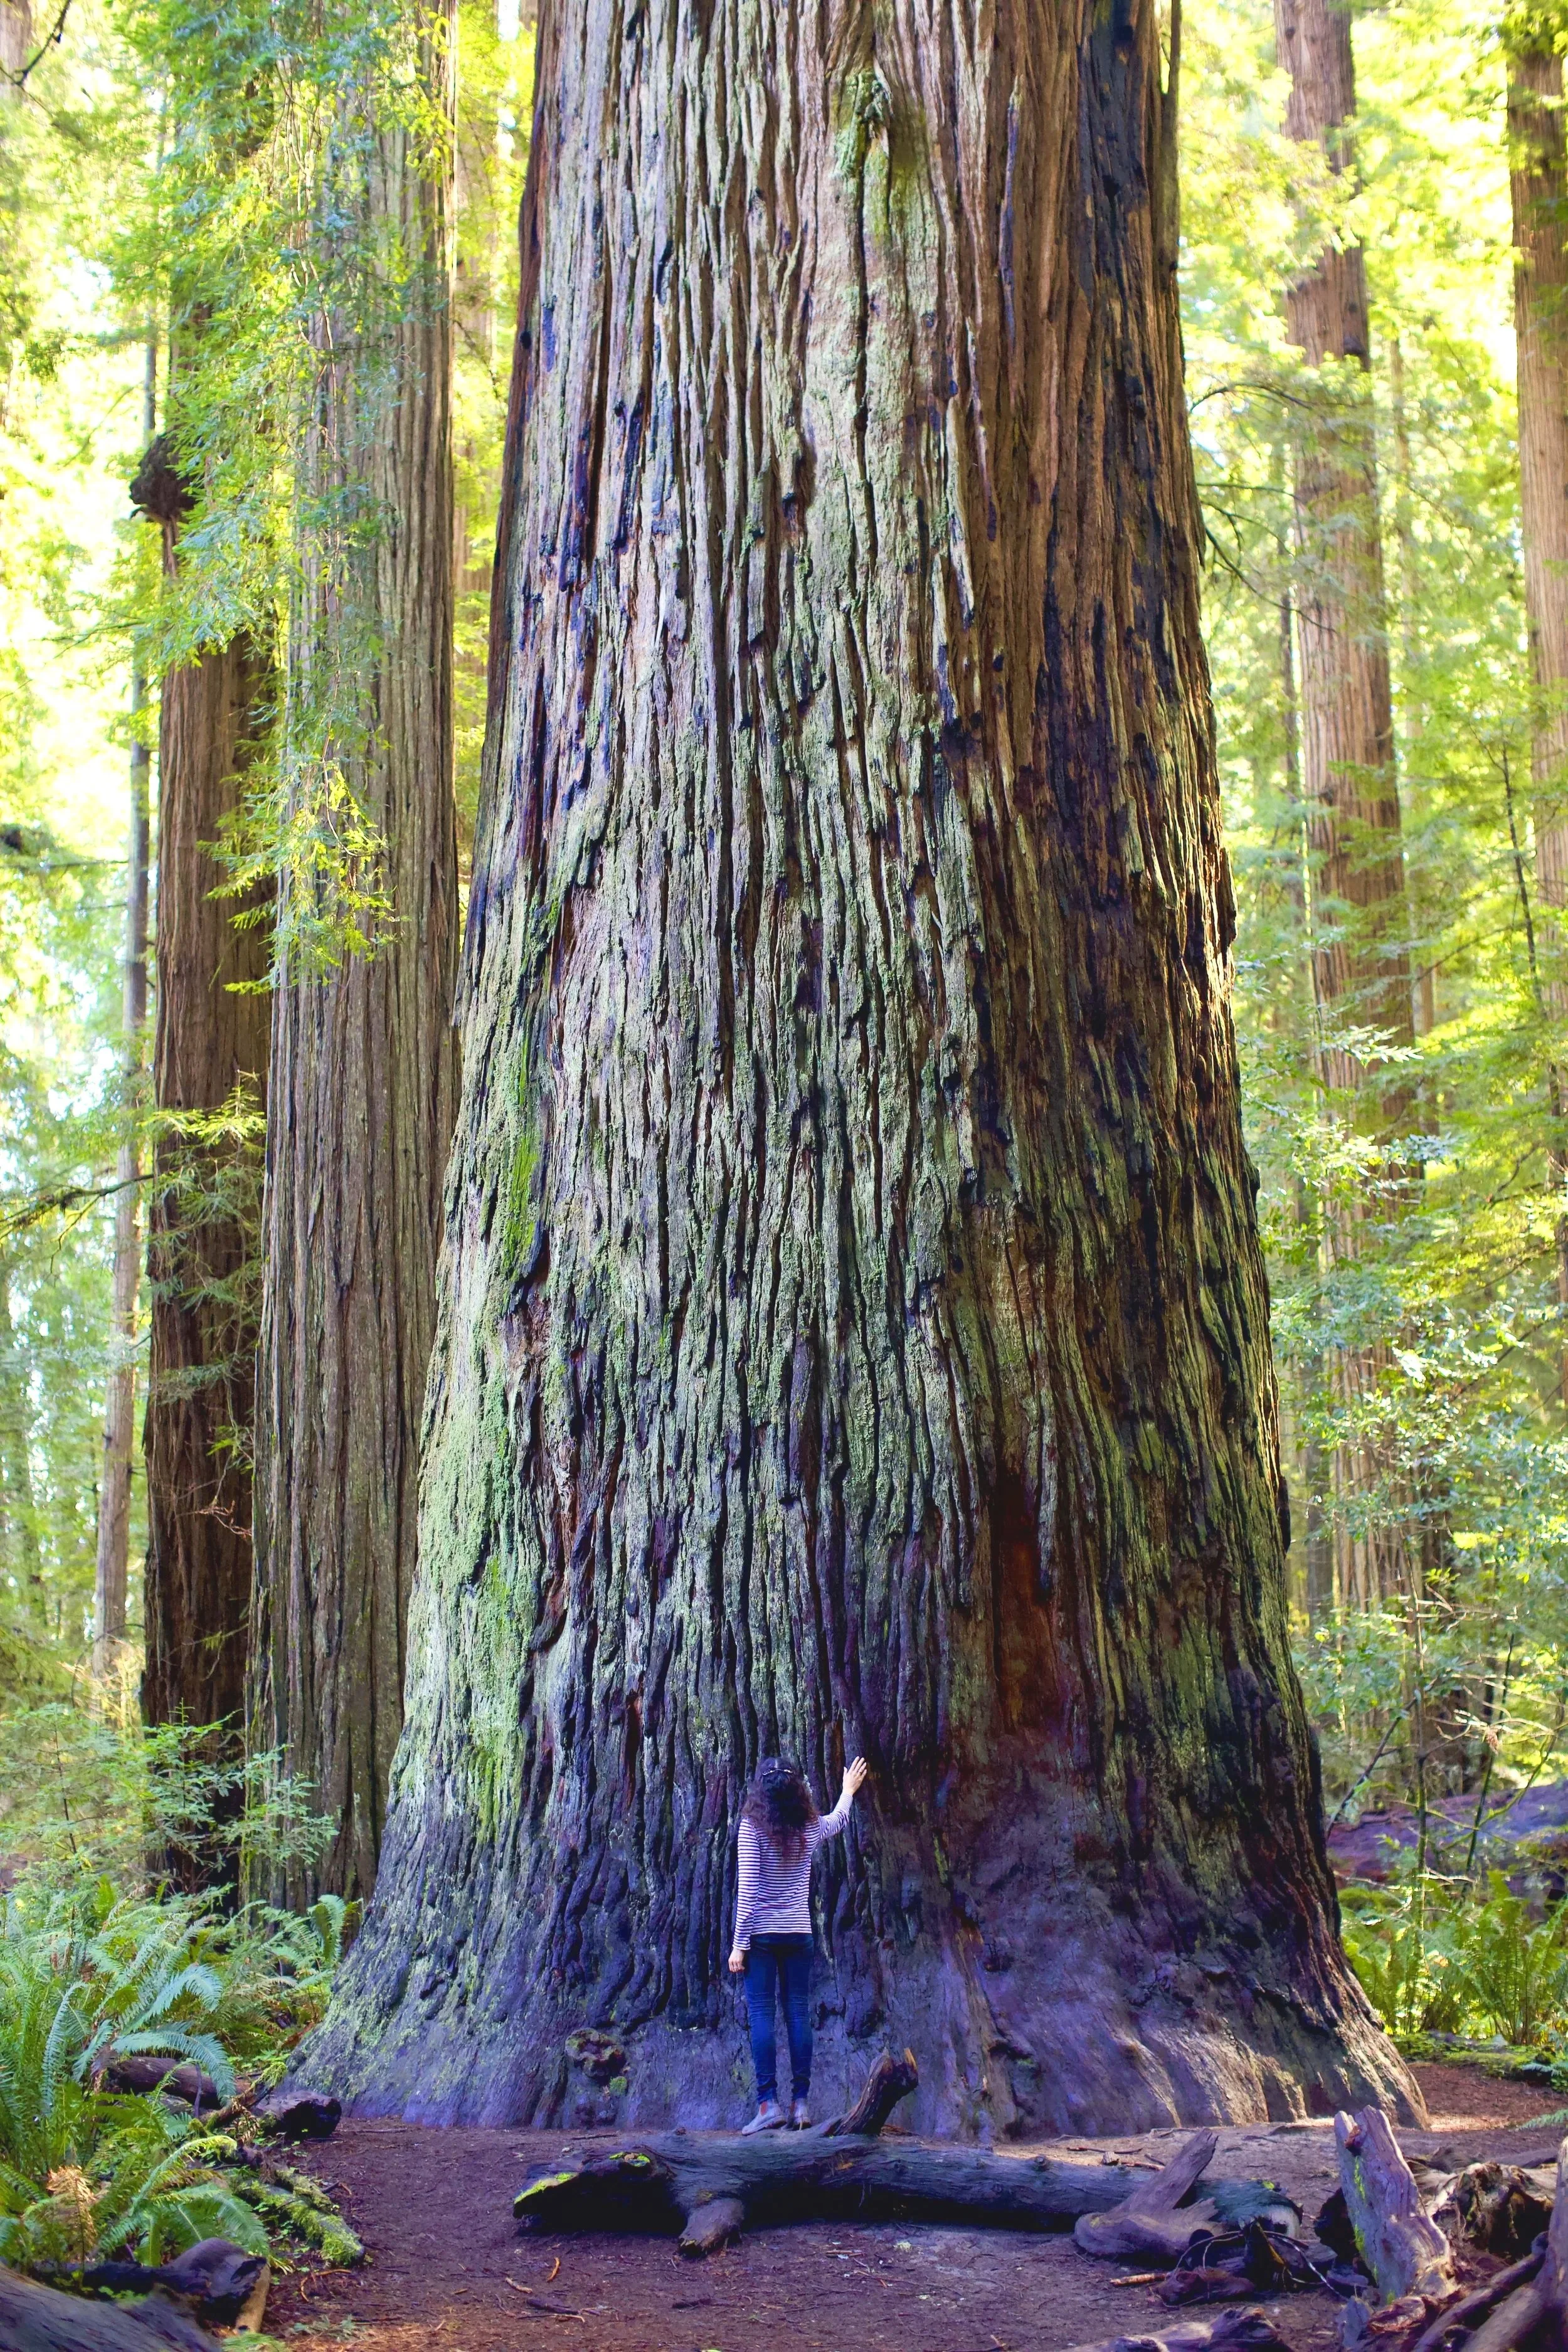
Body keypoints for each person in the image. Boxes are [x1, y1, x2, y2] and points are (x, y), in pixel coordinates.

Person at [728, 1749, 869, 2133]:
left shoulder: (751, 1827)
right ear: (797, 1791)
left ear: (761, 1790)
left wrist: (739, 1945)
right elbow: (837, 1822)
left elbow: (748, 1891)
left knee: (762, 2015)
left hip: (760, 1937)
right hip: (799, 1933)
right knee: (797, 2013)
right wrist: (848, 1790)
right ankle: (801, 2105)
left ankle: (768, 2105)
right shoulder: (808, 1826)